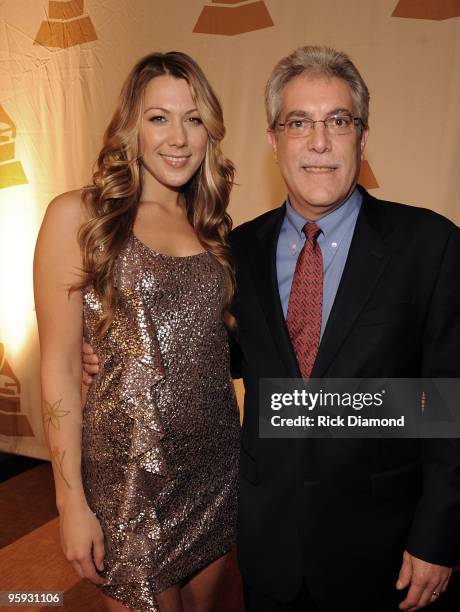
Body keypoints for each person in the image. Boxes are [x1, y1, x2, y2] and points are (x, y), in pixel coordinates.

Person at [84, 46, 460, 612]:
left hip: (386, 555)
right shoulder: (234, 249)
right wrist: (106, 351)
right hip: (267, 550)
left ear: (362, 136)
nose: (318, 142)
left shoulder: (430, 244)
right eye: (299, 122)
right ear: (274, 141)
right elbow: (205, 355)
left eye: (337, 121)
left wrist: (439, 538)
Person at [34, 51, 240, 612]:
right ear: (132, 126)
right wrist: (70, 502)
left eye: (193, 119)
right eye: (159, 117)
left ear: (209, 133)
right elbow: (58, 367)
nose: (178, 137)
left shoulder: (214, 230)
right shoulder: (80, 218)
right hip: (128, 486)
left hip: (216, 472)